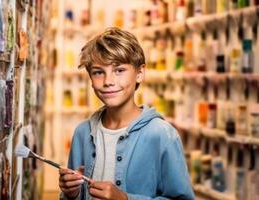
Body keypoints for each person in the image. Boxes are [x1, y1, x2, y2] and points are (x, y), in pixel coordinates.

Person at [59, 27, 195, 200]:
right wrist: (72, 193)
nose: (108, 81)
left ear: (140, 73)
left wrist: (124, 199)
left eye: (119, 70)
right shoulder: (82, 133)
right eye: (98, 72)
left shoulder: (162, 135)